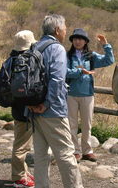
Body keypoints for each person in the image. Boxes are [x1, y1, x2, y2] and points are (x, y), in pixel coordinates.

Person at [28, 14, 84, 188]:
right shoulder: (57, 49)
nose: (66, 30)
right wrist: (46, 104)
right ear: (57, 30)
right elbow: (58, 80)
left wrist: (33, 104)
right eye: (65, 27)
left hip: (33, 109)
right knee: (66, 154)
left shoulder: (34, 47)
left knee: (40, 156)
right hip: (52, 111)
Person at [66, 28, 114, 162]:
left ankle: (87, 151)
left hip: (87, 94)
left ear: (86, 41)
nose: (77, 41)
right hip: (70, 94)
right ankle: (75, 151)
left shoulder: (91, 56)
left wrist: (106, 45)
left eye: (80, 39)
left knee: (87, 124)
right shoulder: (67, 55)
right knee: (72, 124)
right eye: (75, 38)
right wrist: (81, 72)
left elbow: (109, 60)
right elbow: (65, 72)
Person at [10, 30, 36, 187]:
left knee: (20, 141)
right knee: (21, 146)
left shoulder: (12, 59)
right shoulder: (27, 61)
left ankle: (22, 172)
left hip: (16, 106)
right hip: (26, 109)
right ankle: (18, 177)